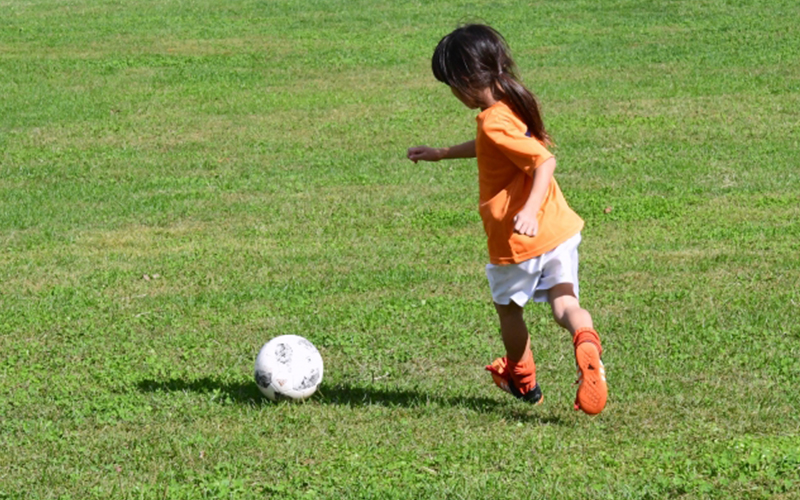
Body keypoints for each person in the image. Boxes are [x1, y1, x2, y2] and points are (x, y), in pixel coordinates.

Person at [406, 24, 607, 414]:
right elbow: (493, 147)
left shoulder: (493, 120)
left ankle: (522, 375)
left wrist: (528, 212)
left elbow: (543, 161)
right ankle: (585, 339)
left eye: (450, 85)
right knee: (565, 304)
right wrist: (442, 152)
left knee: (509, 310)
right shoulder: (510, 101)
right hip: (559, 228)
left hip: (520, 236)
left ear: (466, 81)